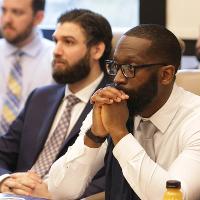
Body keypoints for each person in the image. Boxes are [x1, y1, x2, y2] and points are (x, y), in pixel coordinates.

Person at [48, 24, 200, 200]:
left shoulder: (195, 120)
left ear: (165, 75)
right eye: (115, 66)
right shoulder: (116, 107)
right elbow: (60, 191)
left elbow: (175, 196)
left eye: (129, 69)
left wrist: (120, 133)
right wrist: (94, 136)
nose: (118, 78)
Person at [0, 9, 112, 199]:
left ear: (97, 50)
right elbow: (3, 151)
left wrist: (54, 193)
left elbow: (114, 175)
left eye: (68, 42)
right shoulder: (40, 96)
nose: (56, 51)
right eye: (56, 41)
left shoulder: (114, 103)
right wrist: (5, 179)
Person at [0, 0, 54, 135]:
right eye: (4, 10)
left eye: (17, 12)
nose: (7, 19)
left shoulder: (57, 58)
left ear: (38, 18)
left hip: (31, 148)